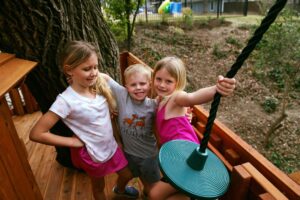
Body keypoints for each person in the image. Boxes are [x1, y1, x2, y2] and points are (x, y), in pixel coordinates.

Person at [29, 41, 139, 200]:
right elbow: (36, 133)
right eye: (87, 69)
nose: (94, 72)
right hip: (93, 153)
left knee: (127, 174)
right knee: (99, 187)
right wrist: (73, 143)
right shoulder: (66, 101)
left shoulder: (97, 86)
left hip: (112, 146)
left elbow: (107, 117)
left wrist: (117, 139)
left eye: (95, 67)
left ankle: (120, 190)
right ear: (69, 70)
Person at [148, 56, 236, 200]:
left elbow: (192, 97)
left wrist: (216, 89)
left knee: (154, 195)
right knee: (156, 195)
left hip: (186, 157)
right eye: (158, 79)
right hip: (175, 157)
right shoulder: (159, 99)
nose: (162, 85)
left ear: (178, 82)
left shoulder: (176, 97)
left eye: (168, 81)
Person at [101, 64, 161, 197]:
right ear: (126, 86)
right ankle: (120, 191)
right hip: (127, 153)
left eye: (142, 83)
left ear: (150, 84)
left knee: (150, 182)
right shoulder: (122, 95)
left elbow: (172, 106)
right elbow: (104, 77)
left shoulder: (154, 105)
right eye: (133, 85)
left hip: (148, 155)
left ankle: (147, 194)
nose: (138, 87)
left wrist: (186, 114)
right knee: (126, 175)